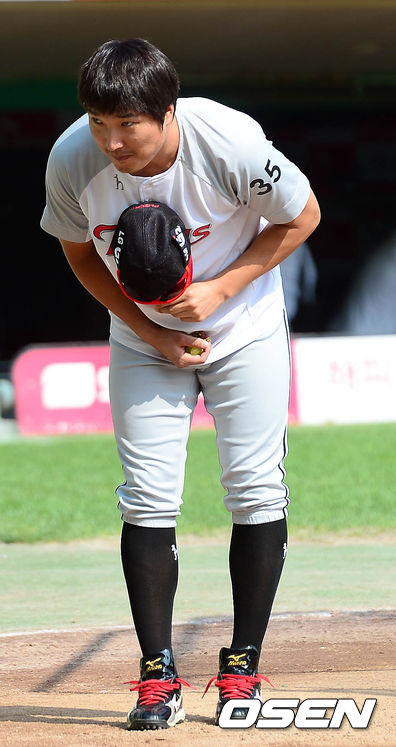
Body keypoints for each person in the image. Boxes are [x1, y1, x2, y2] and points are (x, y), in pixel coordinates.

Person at [41, 38, 320, 730]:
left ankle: (243, 666)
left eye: (127, 125)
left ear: (168, 112)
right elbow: (80, 255)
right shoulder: (72, 159)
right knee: (146, 496)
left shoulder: (228, 142)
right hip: (144, 337)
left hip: (245, 325)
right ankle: (157, 673)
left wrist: (223, 288)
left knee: (255, 487)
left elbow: (303, 214)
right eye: (98, 123)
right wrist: (153, 331)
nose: (111, 142)